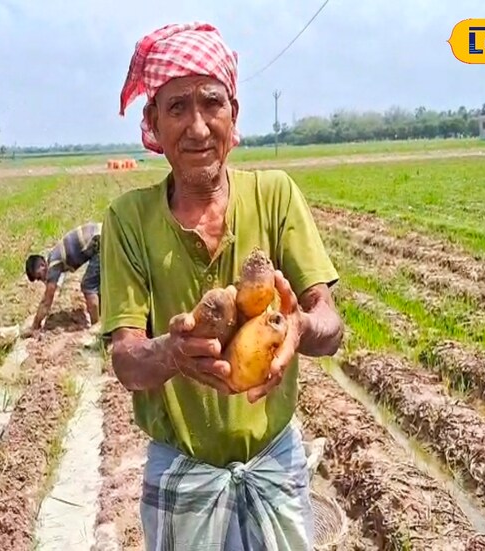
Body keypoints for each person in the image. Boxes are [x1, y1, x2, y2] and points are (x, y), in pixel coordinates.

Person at [100, 22, 344, 550]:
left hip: (274, 459)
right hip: (182, 467)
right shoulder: (128, 219)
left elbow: (330, 321)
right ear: (153, 123)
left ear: (234, 115)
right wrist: (170, 352)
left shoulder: (275, 196)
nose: (197, 127)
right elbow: (126, 360)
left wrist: (301, 325)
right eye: (177, 108)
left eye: (211, 103)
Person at [23, 221, 102, 336]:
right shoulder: (55, 257)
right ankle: (104, 319)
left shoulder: (53, 263)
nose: (43, 280)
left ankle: (97, 331)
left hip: (100, 241)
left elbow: (46, 301)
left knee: (88, 286)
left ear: (42, 265)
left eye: (39, 277)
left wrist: (35, 325)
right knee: (98, 285)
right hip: (105, 234)